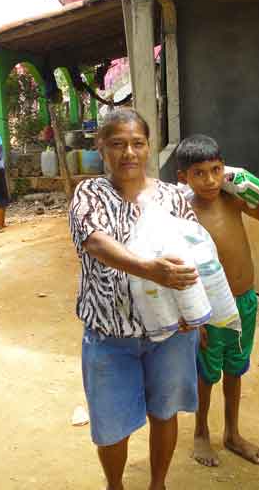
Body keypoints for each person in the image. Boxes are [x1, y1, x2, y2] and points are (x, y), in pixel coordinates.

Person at [68, 108, 200, 490]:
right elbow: (95, 241)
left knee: (165, 412)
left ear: (148, 147)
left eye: (137, 143)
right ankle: (116, 485)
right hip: (111, 336)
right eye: (118, 144)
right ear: (101, 148)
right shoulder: (90, 192)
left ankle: (157, 484)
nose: (129, 152)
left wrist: (198, 312)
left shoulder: (173, 197)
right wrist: (149, 269)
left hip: (171, 335)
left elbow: (195, 251)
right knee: (110, 426)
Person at [175, 135, 259, 468]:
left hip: (244, 300)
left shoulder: (233, 199)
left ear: (224, 169)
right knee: (207, 374)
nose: (210, 180)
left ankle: (232, 433)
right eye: (199, 173)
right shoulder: (183, 212)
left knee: (236, 367)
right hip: (208, 308)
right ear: (184, 178)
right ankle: (201, 433)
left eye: (216, 170)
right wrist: (192, 315)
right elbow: (178, 262)